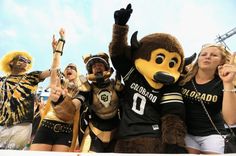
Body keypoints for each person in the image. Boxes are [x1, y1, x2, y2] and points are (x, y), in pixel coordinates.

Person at [30, 28, 81, 152]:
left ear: (77, 73)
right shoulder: (58, 83)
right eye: (67, 67)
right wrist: (61, 42)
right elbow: (55, 66)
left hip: (67, 130)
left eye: (73, 67)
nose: (69, 68)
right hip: (47, 125)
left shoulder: (82, 89)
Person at [180, 43, 236, 154]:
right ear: (198, 59)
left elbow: (230, 120)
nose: (208, 56)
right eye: (203, 54)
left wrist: (228, 82)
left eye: (214, 55)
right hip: (187, 133)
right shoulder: (184, 79)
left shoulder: (223, 82)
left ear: (221, 62)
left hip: (212, 134)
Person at [0, 51, 50, 149]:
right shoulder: (1, 81)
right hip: (1, 124)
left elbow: (52, 71)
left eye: (28, 61)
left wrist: (57, 50)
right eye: (22, 59)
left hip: (22, 125)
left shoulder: (30, 78)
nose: (26, 62)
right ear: (11, 62)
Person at [77, 52, 123, 152]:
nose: (97, 67)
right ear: (90, 71)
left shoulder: (116, 84)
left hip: (117, 130)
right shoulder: (87, 89)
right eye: (94, 66)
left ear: (106, 68)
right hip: (94, 130)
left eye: (100, 65)